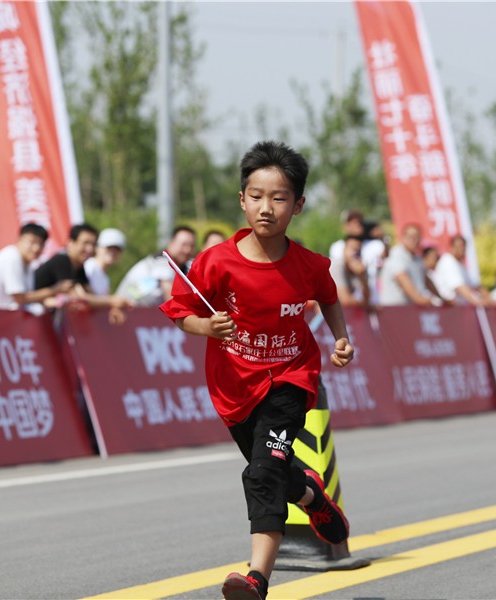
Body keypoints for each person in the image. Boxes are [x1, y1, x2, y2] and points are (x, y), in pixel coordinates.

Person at [160, 140, 353, 600]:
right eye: (257, 196)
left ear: (298, 205)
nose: (266, 208)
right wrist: (206, 325)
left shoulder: (308, 265)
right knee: (275, 471)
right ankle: (310, 495)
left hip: (290, 377)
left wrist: (340, 338)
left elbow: (328, 296)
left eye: (279, 198)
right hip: (234, 388)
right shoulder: (215, 263)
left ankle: (256, 580)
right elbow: (178, 309)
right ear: (242, 200)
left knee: (262, 473)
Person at [0, 224, 72, 310]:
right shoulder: (12, 256)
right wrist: (55, 290)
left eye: (40, 244)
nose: (36, 248)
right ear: (20, 240)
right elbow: (20, 298)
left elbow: (26, 300)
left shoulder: (28, 266)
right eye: (32, 242)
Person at [34, 223, 131, 322]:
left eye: (93, 244)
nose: (89, 249)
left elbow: (91, 294)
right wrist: (113, 301)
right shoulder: (62, 261)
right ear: (71, 243)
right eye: (85, 243)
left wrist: (112, 306)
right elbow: (80, 299)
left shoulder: (79, 267)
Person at [115, 226, 197, 307]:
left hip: (145, 314)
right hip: (125, 311)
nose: (187, 250)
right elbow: (170, 296)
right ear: (171, 243)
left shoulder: (185, 266)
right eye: (184, 245)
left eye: (192, 246)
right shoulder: (161, 261)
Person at [378, 223, 439, 306]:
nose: (413, 240)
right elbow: (403, 280)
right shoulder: (396, 256)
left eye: (416, 237)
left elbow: (426, 280)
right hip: (394, 309)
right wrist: (423, 300)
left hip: (410, 310)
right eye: (410, 236)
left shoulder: (417, 258)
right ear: (402, 237)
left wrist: (441, 298)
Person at [429, 235, 486, 307]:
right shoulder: (447, 262)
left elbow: (475, 286)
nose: (462, 249)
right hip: (449, 309)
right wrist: (479, 303)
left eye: (463, 247)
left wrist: (487, 299)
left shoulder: (460, 264)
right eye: (459, 246)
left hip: (458, 309)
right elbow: (460, 288)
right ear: (451, 247)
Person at [329, 235, 371, 308]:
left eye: (358, 250)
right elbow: (345, 301)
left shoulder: (361, 268)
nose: (355, 254)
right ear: (344, 250)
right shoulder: (336, 266)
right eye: (353, 249)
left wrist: (362, 278)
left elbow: (367, 298)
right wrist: (366, 305)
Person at [84, 228, 127, 296]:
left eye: (117, 249)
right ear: (97, 248)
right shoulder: (89, 267)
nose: (112, 252)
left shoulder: (105, 278)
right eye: (109, 248)